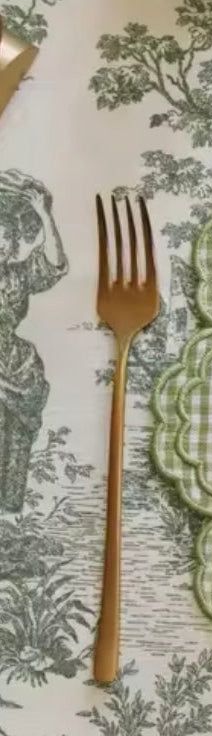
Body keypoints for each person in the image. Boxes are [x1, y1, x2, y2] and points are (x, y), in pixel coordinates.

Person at [0, 170, 67, 513]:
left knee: (14, 439)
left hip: (13, 365)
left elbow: (54, 263)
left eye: (7, 238)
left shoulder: (17, 275)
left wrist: (44, 215)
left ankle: (9, 516)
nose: (2, 243)